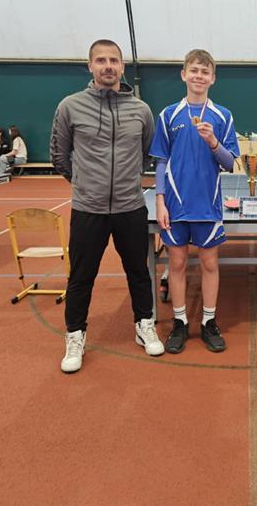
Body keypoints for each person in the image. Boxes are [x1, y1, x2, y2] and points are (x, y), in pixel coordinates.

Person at [51, 39, 161, 373]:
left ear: (122, 66)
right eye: (101, 60)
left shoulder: (141, 110)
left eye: (114, 60)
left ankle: (144, 324)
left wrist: (127, 182)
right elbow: (59, 155)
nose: (108, 66)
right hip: (89, 209)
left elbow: (147, 153)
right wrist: (85, 184)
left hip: (130, 206)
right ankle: (75, 335)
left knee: (139, 271)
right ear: (90, 66)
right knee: (81, 277)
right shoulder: (70, 107)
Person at [149, 49, 239, 354]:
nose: (199, 76)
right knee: (176, 263)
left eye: (205, 71)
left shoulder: (223, 116)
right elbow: (161, 161)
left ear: (213, 78)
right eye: (194, 70)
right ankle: (180, 322)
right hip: (175, 206)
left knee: (209, 263)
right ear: (184, 74)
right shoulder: (168, 115)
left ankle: (209, 322)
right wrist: (160, 201)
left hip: (208, 205)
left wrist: (213, 141)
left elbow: (229, 163)